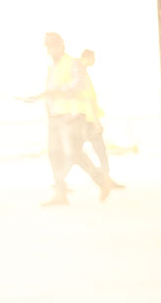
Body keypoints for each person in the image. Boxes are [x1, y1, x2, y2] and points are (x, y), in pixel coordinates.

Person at [34, 33, 120, 206]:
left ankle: (101, 181)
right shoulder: (52, 67)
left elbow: (80, 86)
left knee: (73, 153)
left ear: (61, 46)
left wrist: (56, 91)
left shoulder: (73, 63)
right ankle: (61, 192)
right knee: (54, 153)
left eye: (53, 47)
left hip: (71, 117)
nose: (50, 51)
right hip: (55, 117)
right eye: (48, 47)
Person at [77, 49, 114, 184]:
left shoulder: (81, 74)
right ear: (87, 57)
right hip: (89, 120)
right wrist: (96, 122)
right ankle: (104, 179)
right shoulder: (81, 75)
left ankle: (105, 178)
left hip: (85, 118)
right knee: (99, 150)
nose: (95, 61)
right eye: (93, 58)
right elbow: (88, 101)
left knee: (77, 152)